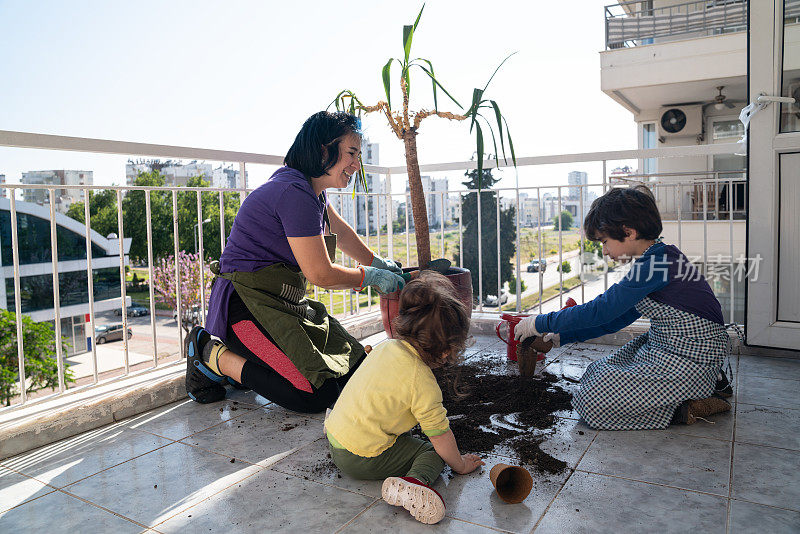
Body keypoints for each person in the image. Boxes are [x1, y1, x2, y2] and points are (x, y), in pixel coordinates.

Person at [185, 111, 406, 412]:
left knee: (354, 369)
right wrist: (371, 277)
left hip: (281, 303)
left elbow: (340, 233)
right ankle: (210, 354)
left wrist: (378, 262)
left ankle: (251, 362)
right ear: (323, 150)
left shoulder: (311, 191)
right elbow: (320, 274)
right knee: (313, 395)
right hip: (245, 307)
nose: (357, 165)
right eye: (352, 154)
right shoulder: (294, 192)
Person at [515, 186, 733, 430]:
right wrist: (560, 337)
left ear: (628, 232)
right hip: (670, 347)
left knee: (592, 401)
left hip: (690, 357)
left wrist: (540, 322)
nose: (605, 250)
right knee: (597, 371)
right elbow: (615, 319)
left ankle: (689, 405)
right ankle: (701, 385)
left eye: (605, 242)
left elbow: (602, 310)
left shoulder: (656, 264)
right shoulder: (657, 259)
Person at [324, 272, 484, 525]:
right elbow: (440, 437)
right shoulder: (422, 381)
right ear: (445, 350)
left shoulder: (386, 346)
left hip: (336, 438)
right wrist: (460, 464)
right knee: (433, 453)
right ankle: (412, 483)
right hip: (359, 457)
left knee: (404, 434)